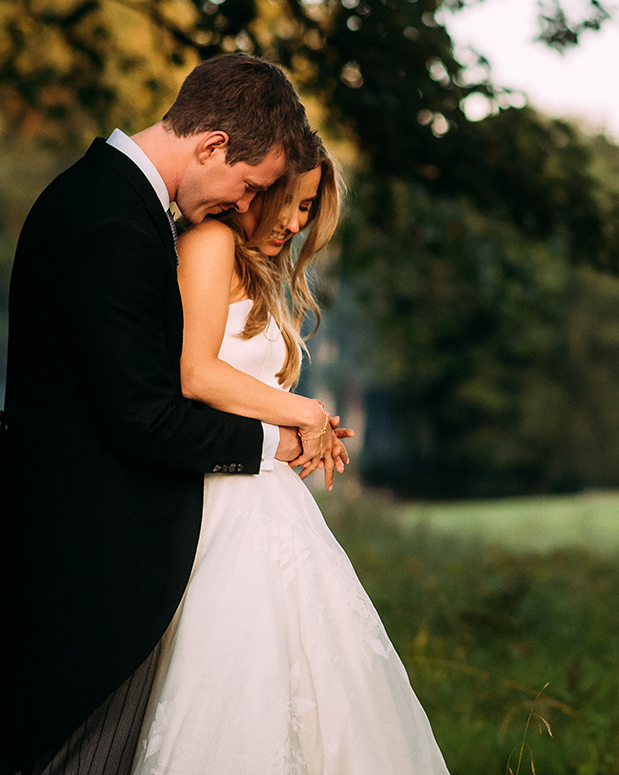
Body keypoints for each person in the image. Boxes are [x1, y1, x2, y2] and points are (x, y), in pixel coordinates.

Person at [0, 54, 327, 775]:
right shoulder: (111, 221)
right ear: (213, 146)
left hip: (89, 540)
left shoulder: (111, 200)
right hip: (88, 552)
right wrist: (274, 443)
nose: (242, 203)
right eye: (248, 185)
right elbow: (143, 417)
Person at [130, 132, 449, 774]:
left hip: (270, 498)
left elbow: (244, 387)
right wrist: (303, 413)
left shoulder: (254, 265)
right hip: (219, 500)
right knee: (235, 673)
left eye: (309, 210)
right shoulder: (210, 240)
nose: (298, 223)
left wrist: (302, 431)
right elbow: (196, 374)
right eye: (294, 203)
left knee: (316, 682)